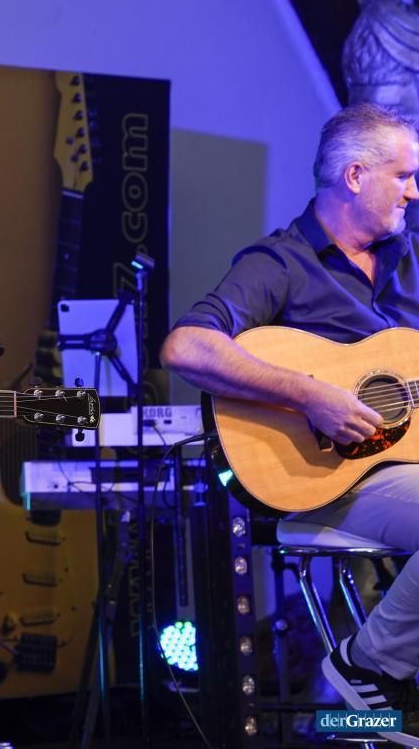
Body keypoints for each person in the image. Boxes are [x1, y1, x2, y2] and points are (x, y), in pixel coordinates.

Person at [161, 102, 419, 747]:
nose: (414, 192)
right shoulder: (281, 262)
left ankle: (378, 706)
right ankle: (370, 666)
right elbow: (186, 348)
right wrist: (310, 395)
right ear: (355, 175)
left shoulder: (411, 257)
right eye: (404, 175)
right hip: (328, 482)